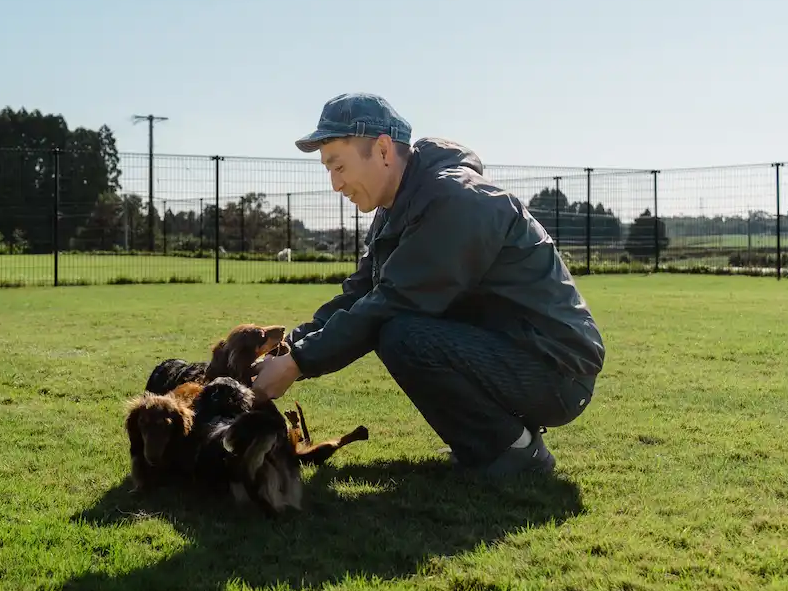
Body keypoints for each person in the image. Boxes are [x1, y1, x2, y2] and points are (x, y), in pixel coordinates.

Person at [250, 93, 605, 477]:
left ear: (383, 149)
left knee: (402, 334)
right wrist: (289, 348)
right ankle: (490, 442)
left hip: (557, 370)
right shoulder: (396, 207)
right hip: (513, 350)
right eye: (328, 170)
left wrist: (298, 363)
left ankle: (514, 449)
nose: (335, 183)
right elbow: (361, 293)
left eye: (339, 166)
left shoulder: (457, 200)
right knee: (398, 330)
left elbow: (392, 302)